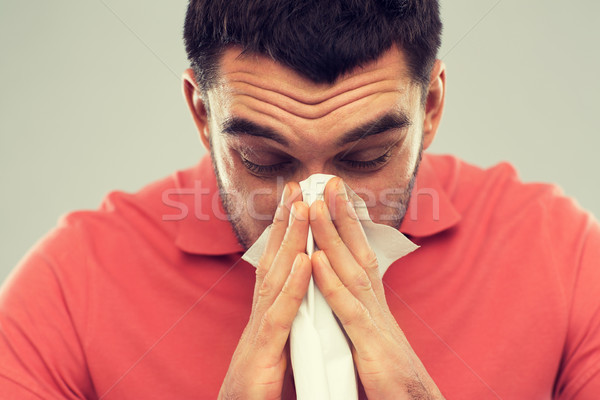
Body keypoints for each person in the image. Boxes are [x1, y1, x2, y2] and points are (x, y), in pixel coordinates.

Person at [1, 0, 599, 398]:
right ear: (203, 114)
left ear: (432, 107)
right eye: (264, 160)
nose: (315, 202)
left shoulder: (562, 256)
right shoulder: (74, 283)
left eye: (366, 158)